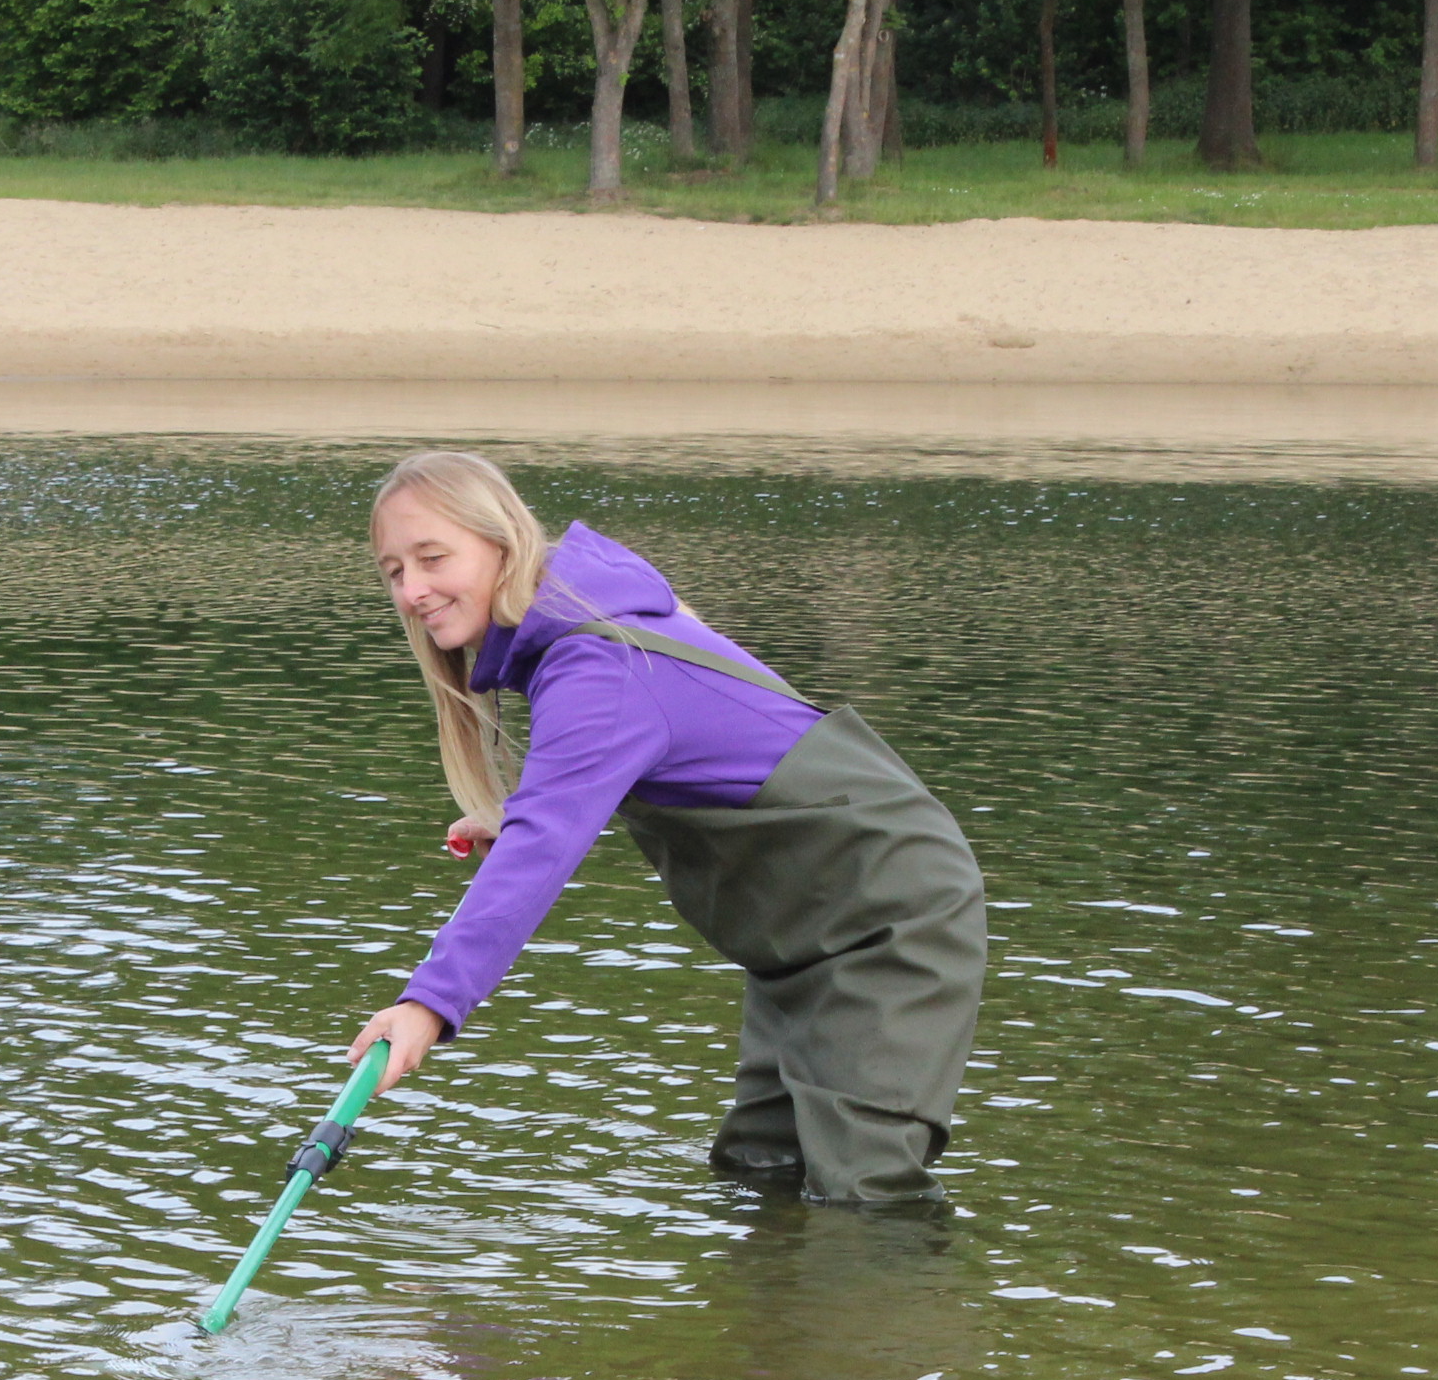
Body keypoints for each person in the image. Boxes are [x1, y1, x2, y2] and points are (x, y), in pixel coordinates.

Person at [348, 451, 986, 1206]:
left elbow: (542, 852)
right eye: (394, 571)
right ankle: (781, 1325)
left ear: (503, 544)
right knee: (759, 1173)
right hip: (804, 940)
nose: (413, 590)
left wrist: (430, 1005)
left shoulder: (596, 663)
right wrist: (515, 815)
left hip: (885, 914)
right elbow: (681, 752)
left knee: (866, 1197)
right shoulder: (588, 622)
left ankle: (912, 1319)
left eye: (433, 557)